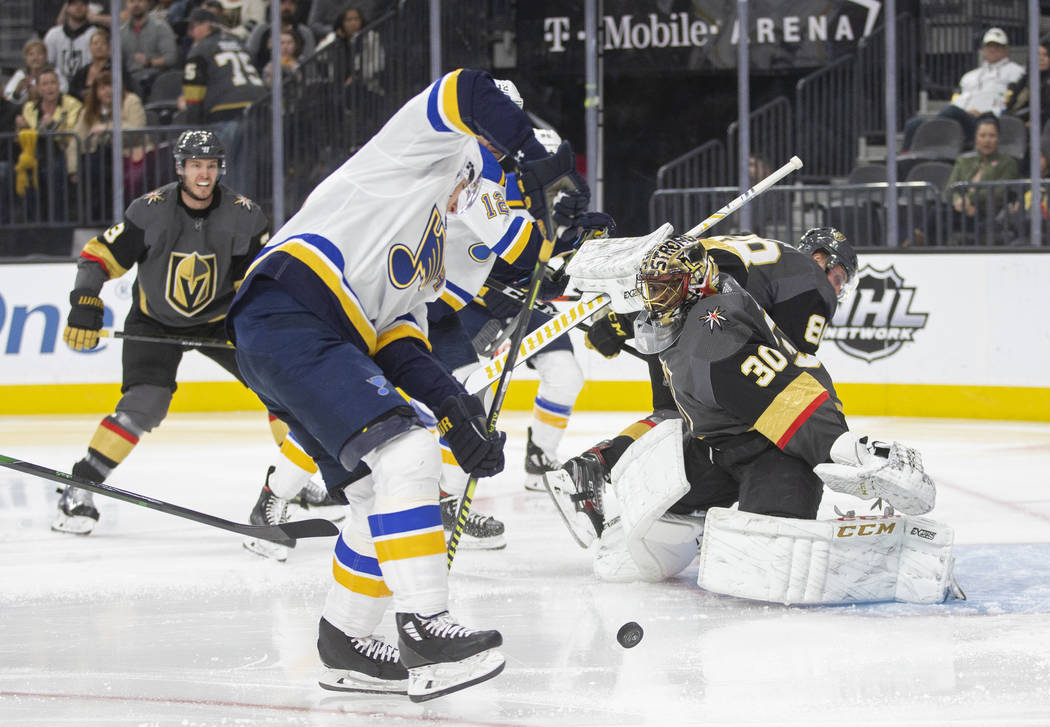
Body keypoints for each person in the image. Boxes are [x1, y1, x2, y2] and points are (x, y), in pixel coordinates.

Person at [225, 68, 570, 701]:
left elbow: (399, 341)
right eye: (494, 148)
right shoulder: (418, 147)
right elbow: (466, 87)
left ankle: (344, 644)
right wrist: (519, 141)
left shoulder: (434, 236)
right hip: (291, 310)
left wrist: (456, 410)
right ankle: (425, 627)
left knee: (379, 498)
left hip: (309, 334)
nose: (498, 165)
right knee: (406, 448)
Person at [566, 233, 941, 598]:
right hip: (715, 446)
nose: (655, 301)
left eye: (664, 289)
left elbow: (790, 395)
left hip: (773, 453)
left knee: (766, 558)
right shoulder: (696, 312)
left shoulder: (714, 335)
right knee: (667, 454)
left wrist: (849, 449)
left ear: (694, 286)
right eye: (650, 289)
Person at [547, 227, 857, 546]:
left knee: (674, 415)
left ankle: (597, 463)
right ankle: (603, 467)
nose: (836, 287)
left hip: (665, 306)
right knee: (705, 411)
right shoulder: (810, 277)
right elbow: (789, 364)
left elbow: (673, 273)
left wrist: (621, 322)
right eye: (839, 277)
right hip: (704, 318)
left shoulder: (765, 249)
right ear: (821, 258)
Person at [52, 129, 271, 535]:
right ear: (180, 169)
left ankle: (291, 484)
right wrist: (84, 302)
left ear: (219, 168)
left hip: (219, 322)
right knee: (144, 405)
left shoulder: (246, 216)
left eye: (209, 166)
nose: (203, 174)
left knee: (283, 390)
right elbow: (99, 256)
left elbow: (256, 283)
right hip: (154, 320)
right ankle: (79, 487)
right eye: (194, 166)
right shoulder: (149, 210)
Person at [181, 8, 266, 192]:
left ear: (208, 26)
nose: (191, 32)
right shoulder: (240, 44)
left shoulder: (200, 50)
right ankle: (247, 216)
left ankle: (227, 219)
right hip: (258, 112)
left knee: (225, 175)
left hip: (225, 115)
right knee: (247, 174)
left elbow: (193, 95)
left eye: (194, 26)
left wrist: (193, 129)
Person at [901, 27, 1024, 152]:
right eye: (989, 46)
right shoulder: (971, 75)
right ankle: (905, 157)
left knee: (950, 111)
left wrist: (985, 114)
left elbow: (1009, 101)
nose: (992, 49)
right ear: (983, 49)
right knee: (913, 124)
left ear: (1006, 50)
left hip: (984, 121)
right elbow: (958, 99)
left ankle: (934, 132)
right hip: (960, 116)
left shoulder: (1015, 72)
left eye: (997, 46)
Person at [72, 71, 148, 217]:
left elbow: (137, 129)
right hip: (97, 157)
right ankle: (93, 218)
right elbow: (76, 139)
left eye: (110, 86)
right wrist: (73, 169)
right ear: (96, 92)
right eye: (102, 87)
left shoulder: (131, 101)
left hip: (126, 153)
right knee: (89, 166)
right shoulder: (90, 108)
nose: (107, 91)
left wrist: (109, 128)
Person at [15, 65, 83, 221]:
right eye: (44, 84)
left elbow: (72, 132)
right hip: (36, 152)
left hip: (62, 150)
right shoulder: (29, 108)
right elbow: (24, 136)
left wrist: (53, 125)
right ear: (38, 88)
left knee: (54, 171)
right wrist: (23, 129)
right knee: (27, 173)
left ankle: (57, 221)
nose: (49, 87)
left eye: (52, 83)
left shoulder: (72, 104)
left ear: (59, 85)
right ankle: (33, 223)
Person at [942, 113, 1019, 245]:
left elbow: (999, 192)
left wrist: (969, 199)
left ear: (998, 139)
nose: (987, 140)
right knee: (937, 214)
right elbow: (949, 190)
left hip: (986, 214)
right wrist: (959, 202)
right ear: (976, 139)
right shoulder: (964, 161)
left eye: (992, 136)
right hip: (961, 211)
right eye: (982, 136)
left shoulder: (1008, 163)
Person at [120, 0, 179, 99]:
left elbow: (171, 58)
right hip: (130, 80)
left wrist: (149, 62)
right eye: (131, 1)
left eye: (140, 1)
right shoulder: (121, 33)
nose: (136, 4)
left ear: (147, 3)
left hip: (157, 78)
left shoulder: (160, 27)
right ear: (126, 5)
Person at [42, 0, 98, 93]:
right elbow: (47, 65)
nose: (78, 7)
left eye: (82, 4)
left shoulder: (94, 34)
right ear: (67, 7)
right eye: (74, 4)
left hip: (86, 91)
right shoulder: (53, 35)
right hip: (58, 91)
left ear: (88, 7)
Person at [245, 0, 315, 71]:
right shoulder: (262, 30)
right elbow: (249, 56)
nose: (287, 7)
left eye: (291, 3)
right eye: (282, 3)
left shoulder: (304, 32)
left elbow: (309, 63)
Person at [1004, 37, 1050, 126]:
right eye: (1037, 55)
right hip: (1016, 122)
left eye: (1045, 55)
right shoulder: (1024, 81)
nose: (1041, 59)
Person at [3, 40, 50, 106]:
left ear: (45, 57)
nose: (35, 58)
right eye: (31, 54)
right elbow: (7, 96)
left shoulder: (53, 73)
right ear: (26, 57)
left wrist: (40, 93)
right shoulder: (20, 74)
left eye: (39, 54)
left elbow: (63, 90)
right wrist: (17, 92)